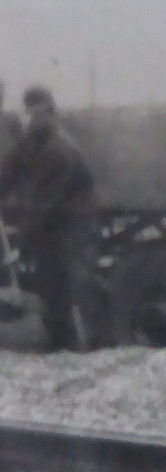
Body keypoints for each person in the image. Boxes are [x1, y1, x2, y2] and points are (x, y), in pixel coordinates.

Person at [0, 86, 99, 350]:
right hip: (51, 224)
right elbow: (11, 167)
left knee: (80, 285)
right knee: (50, 283)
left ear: (51, 112)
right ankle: (58, 344)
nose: (34, 118)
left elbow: (46, 203)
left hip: (75, 223)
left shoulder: (61, 150)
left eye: (39, 112)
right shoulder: (33, 139)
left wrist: (22, 240)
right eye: (30, 112)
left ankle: (96, 346)